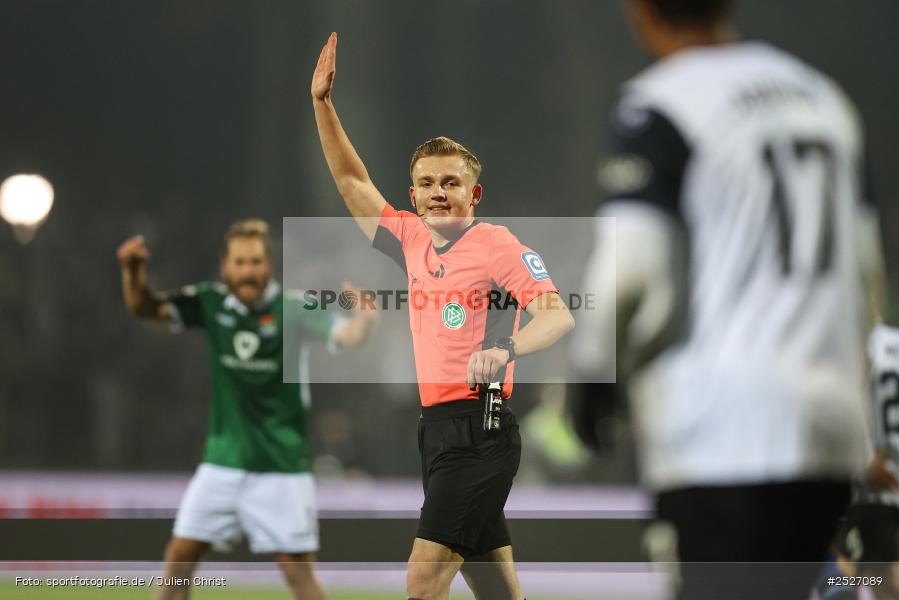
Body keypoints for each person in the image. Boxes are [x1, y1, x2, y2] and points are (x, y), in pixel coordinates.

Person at [569, 0, 885, 598]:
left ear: (641, 11)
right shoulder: (824, 100)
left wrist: (593, 371)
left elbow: (632, 267)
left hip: (724, 433)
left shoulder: (662, 102)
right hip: (829, 431)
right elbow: (867, 275)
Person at [310, 33, 575, 600]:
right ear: (412, 195)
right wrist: (323, 105)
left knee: (423, 578)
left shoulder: (498, 245)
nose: (438, 192)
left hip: (483, 428)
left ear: (474, 194)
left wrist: (507, 349)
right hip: (435, 431)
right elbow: (353, 182)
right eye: (427, 183)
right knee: (496, 589)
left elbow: (557, 317)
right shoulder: (410, 239)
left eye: (451, 183)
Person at [116, 219, 377, 600]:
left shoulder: (295, 307)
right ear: (225, 266)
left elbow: (345, 334)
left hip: (281, 467)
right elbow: (145, 308)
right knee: (178, 562)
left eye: (255, 262)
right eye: (239, 262)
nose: (248, 271)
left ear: (269, 265)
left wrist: (364, 322)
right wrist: (133, 270)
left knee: (298, 575)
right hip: (222, 464)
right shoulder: (210, 302)